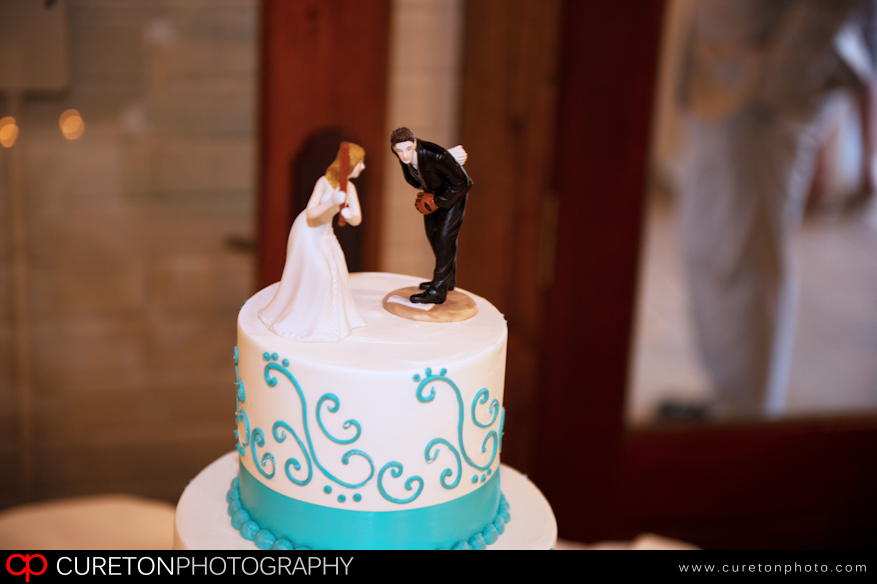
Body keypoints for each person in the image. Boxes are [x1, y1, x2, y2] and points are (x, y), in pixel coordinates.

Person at [674, 0, 875, 418]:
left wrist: (778, 75)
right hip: (720, 75)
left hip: (760, 90)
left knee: (748, 264)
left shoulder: (767, 84)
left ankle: (746, 424)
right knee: (709, 247)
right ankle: (726, 405)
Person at [258, 142, 367, 342]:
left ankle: (328, 320)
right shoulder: (323, 183)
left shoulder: (350, 188)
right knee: (323, 275)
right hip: (307, 232)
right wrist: (331, 202)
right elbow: (310, 213)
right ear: (350, 164)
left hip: (325, 232)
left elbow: (357, 218)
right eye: (360, 163)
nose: (363, 167)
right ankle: (306, 320)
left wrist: (349, 214)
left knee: (340, 272)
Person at [390, 127, 473, 304]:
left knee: (445, 237)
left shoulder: (435, 154)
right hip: (433, 193)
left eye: (408, 149)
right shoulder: (403, 157)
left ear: (415, 144)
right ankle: (447, 280)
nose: (404, 155)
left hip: (453, 195)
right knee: (433, 234)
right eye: (399, 151)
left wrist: (437, 201)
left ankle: (438, 291)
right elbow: (418, 179)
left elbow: (464, 183)